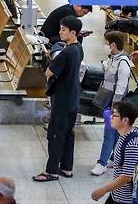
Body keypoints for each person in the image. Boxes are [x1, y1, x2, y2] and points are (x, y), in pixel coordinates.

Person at [33, 15, 83, 182]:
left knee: (55, 135)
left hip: (61, 101)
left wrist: (45, 60)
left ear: (73, 32)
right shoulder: (78, 49)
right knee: (68, 134)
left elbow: (48, 73)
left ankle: (51, 171)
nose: (60, 32)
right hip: (73, 99)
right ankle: (67, 167)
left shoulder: (66, 52)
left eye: (63, 30)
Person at [91, 32, 134, 176]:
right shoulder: (114, 59)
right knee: (115, 133)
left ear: (113, 44)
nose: (106, 46)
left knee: (109, 133)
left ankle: (101, 162)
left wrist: (115, 107)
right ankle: (114, 158)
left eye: (107, 43)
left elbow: (121, 86)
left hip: (117, 103)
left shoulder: (123, 63)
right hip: (111, 101)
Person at [91, 101, 138, 204]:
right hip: (116, 195)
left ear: (125, 120)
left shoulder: (133, 144)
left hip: (126, 200)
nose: (111, 117)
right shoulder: (123, 135)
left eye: (114, 115)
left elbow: (126, 177)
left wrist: (104, 190)